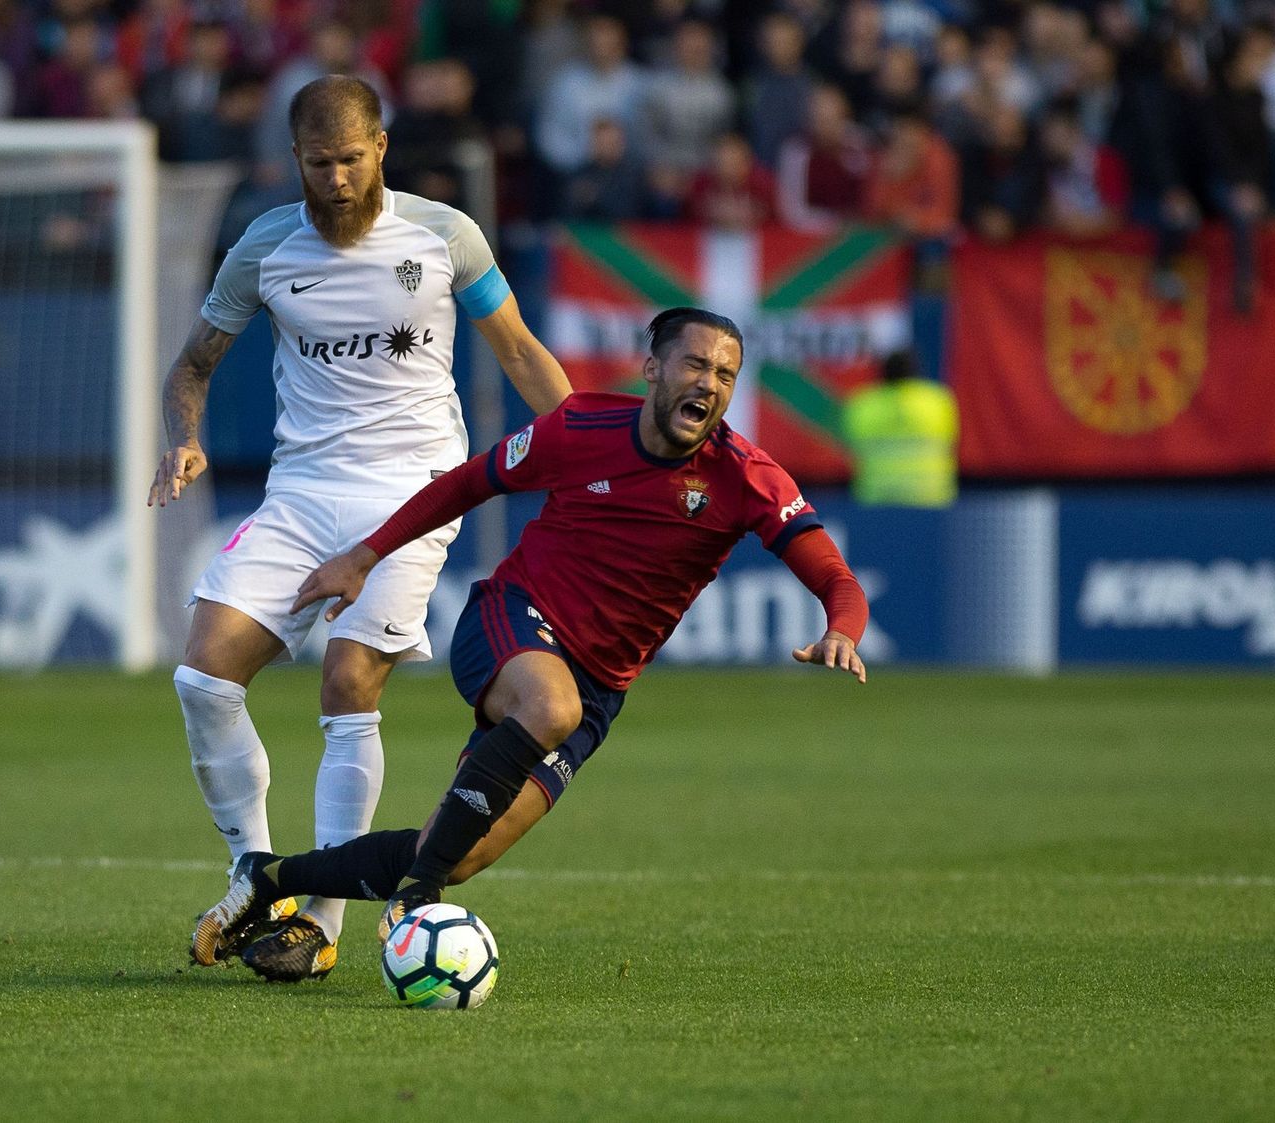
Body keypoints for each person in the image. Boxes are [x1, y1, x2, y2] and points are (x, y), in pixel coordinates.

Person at [190, 307, 870, 982]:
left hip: (599, 687)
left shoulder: (746, 476)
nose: (710, 383)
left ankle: (270, 878)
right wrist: (365, 555)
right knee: (548, 708)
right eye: (695, 363)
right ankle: (415, 900)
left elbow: (835, 576)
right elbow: (467, 482)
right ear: (654, 367)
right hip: (511, 621)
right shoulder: (579, 427)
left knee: (457, 850)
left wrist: (843, 627)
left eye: (725, 373)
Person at [148, 75, 572, 980]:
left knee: (349, 674)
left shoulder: (445, 236)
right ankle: (255, 878)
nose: (336, 179)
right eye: (317, 162)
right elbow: (191, 365)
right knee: (202, 676)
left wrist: (592, 455)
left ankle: (324, 919)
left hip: (414, 490)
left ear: (381, 148)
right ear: (293, 159)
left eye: (350, 159)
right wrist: (184, 439)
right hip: (300, 491)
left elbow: (521, 353)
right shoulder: (264, 246)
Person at [839, 349, 958, 507]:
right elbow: (951, 442)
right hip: (930, 498)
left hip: (877, 499)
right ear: (916, 371)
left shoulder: (862, 405)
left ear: (883, 373)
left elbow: (849, 450)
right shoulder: (937, 401)